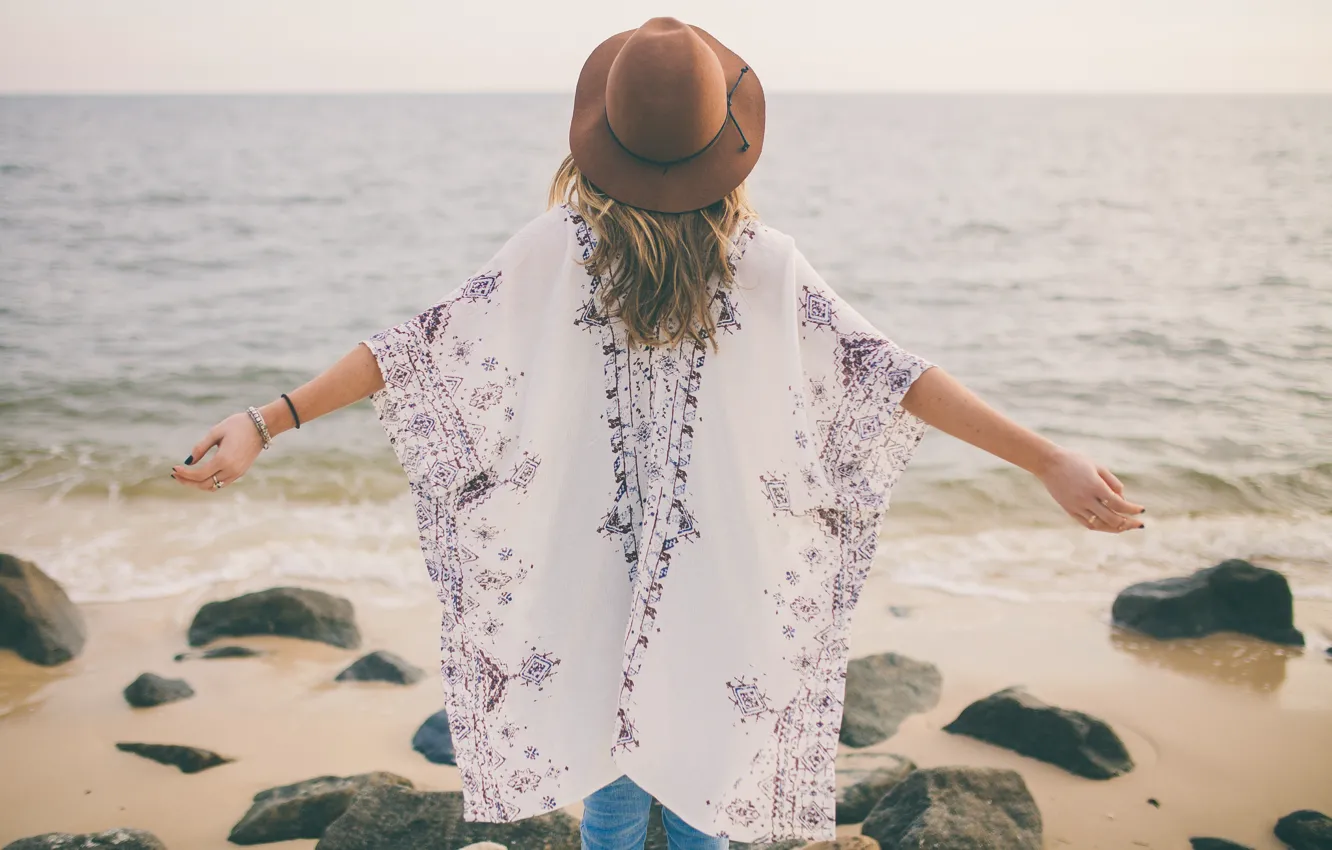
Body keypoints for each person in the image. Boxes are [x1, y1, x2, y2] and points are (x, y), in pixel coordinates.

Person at [171, 17, 1145, 850]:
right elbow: (902, 378)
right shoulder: (764, 264)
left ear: (602, 137)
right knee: (703, 794)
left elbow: (410, 351)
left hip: (583, 580)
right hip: (724, 578)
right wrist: (1046, 457)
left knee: (611, 791)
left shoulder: (555, 250)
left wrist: (269, 420)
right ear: (728, 143)